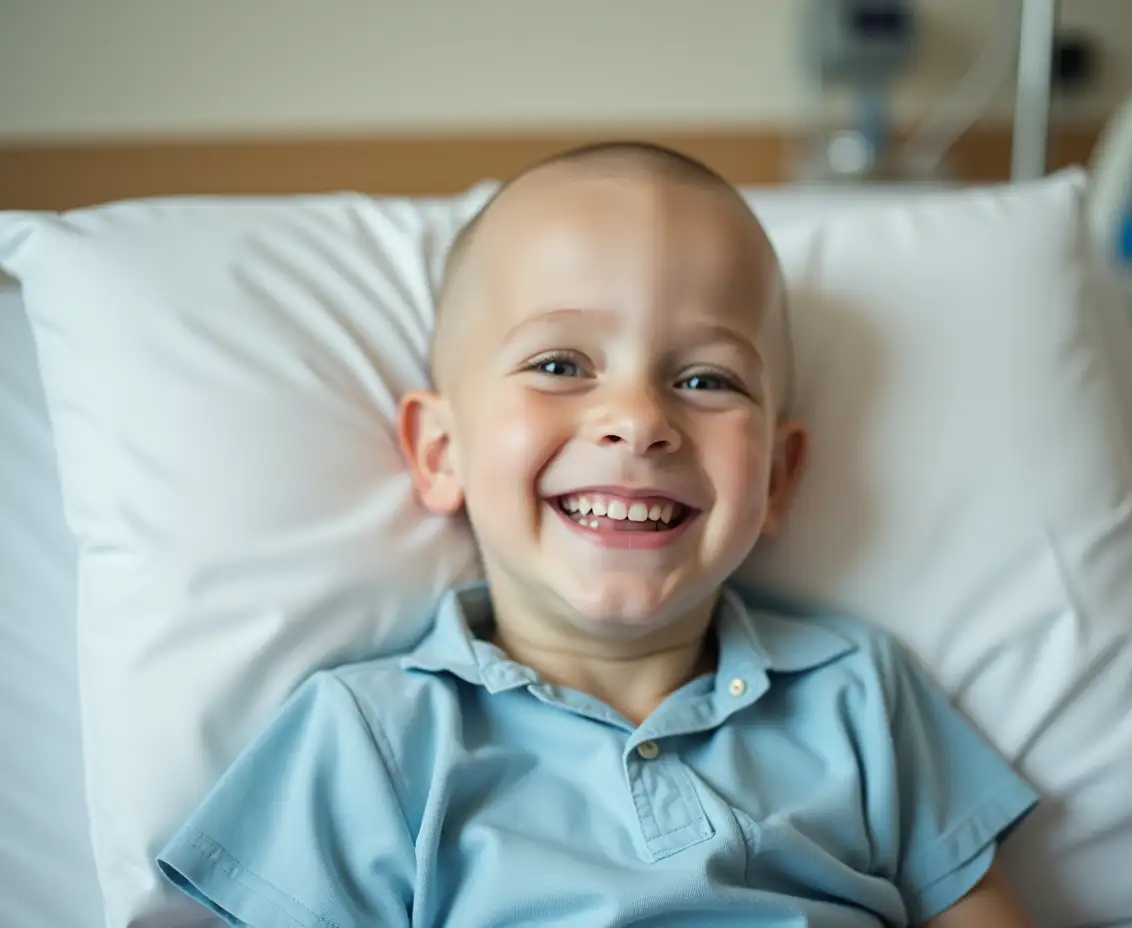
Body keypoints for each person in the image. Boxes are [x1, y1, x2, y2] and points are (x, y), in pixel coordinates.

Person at [157, 142, 1038, 926]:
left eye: (705, 378)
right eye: (559, 365)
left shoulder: (856, 695)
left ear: (775, 477)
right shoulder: (372, 739)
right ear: (441, 451)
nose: (637, 420)